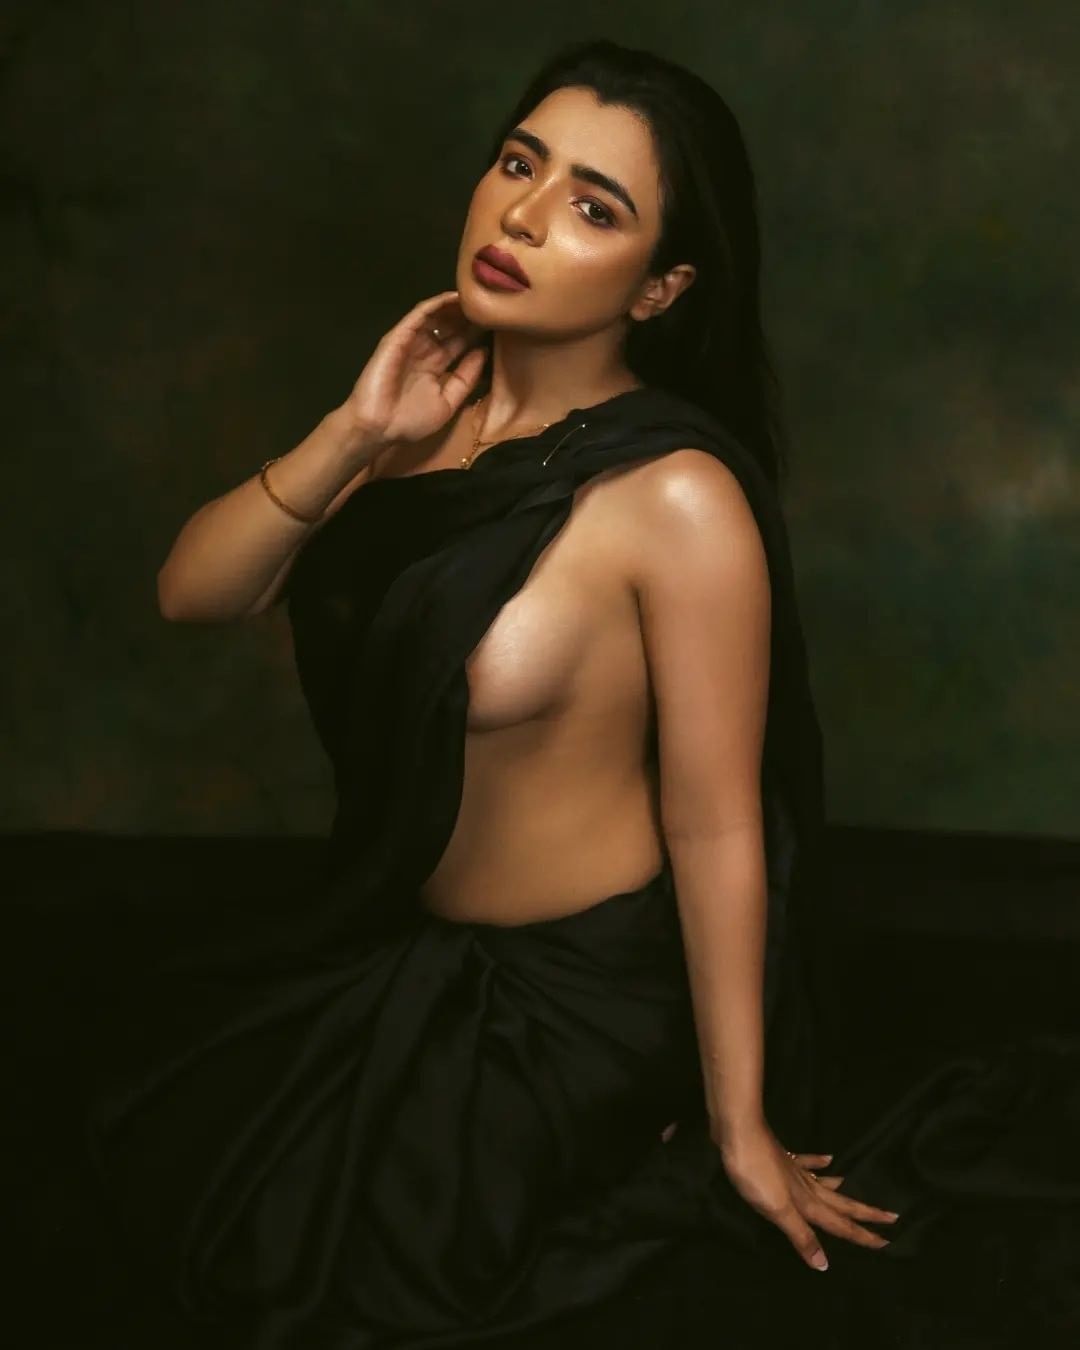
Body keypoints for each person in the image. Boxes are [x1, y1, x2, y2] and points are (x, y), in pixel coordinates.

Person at [79, 37, 1080, 1350]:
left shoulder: (676, 498)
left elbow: (718, 822)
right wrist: (355, 432)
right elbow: (191, 593)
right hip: (406, 940)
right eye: (519, 164)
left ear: (661, 287)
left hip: (585, 1000)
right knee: (181, 1147)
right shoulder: (421, 420)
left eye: (595, 207)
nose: (524, 216)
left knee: (375, 1265)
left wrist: (739, 1123)